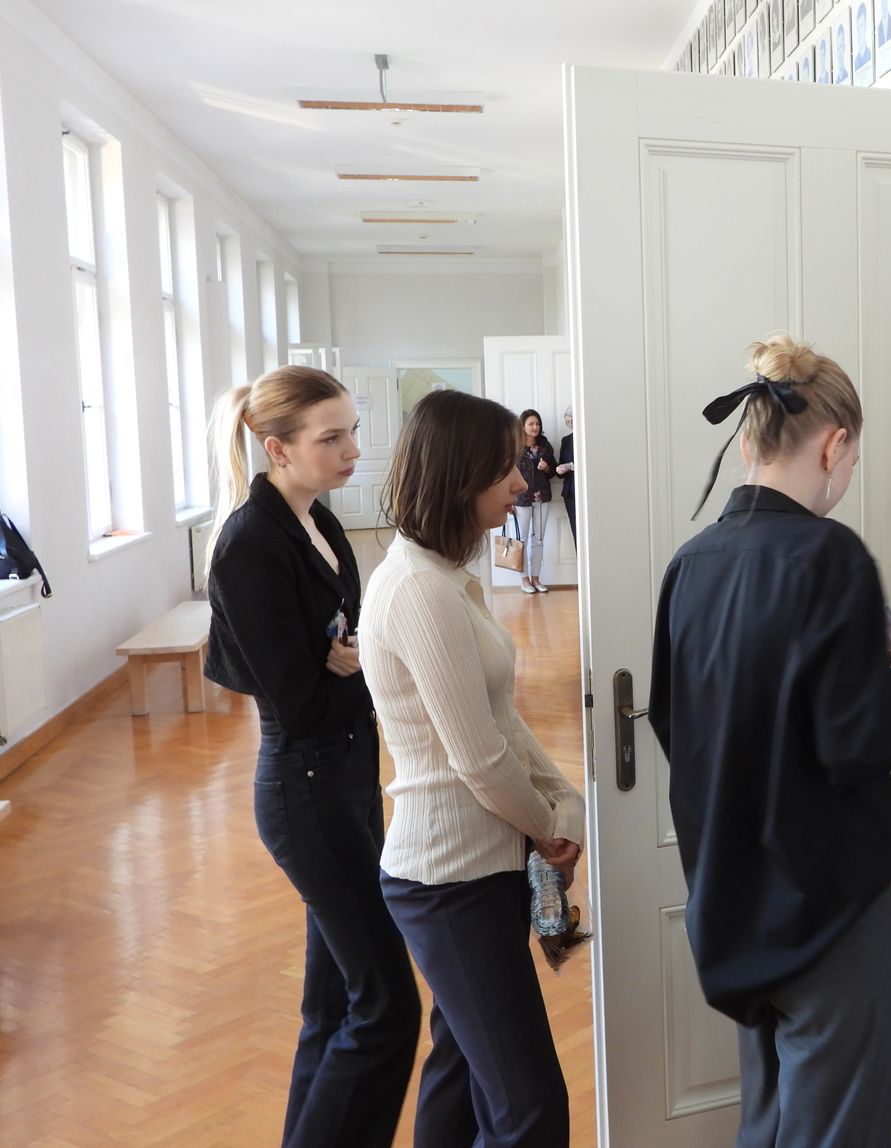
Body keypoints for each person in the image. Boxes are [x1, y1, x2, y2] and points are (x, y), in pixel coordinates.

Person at [650, 335, 891, 1148]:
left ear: (749, 440)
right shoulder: (829, 555)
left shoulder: (691, 563)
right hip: (824, 901)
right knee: (837, 1123)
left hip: (729, 891)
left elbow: (677, 724)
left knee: (772, 1110)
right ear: (835, 445)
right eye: (854, 460)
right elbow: (855, 747)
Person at [202, 366, 420, 1148]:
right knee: (388, 1006)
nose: (353, 449)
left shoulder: (319, 522)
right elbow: (297, 704)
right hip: (306, 790)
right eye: (331, 438)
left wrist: (343, 663)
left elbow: (342, 647)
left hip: (349, 777)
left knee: (332, 1008)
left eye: (352, 431)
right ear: (278, 448)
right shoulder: (249, 544)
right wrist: (355, 669)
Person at [361, 389, 585, 1147]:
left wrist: (560, 800)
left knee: (460, 1074)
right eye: (504, 469)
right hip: (450, 878)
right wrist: (548, 828)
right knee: (529, 1108)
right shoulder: (420, 590)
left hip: (474, 866)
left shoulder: (445, 576)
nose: (521, 481)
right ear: (460, 477)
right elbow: (479, 759)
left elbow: (500, 720)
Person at [514, 408, 557, 593]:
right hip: (521, 499)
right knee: (521, 540)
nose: (535, 427)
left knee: (538, 540)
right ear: (522, 426)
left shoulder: (545, 446)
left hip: (542, 497)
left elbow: (553, 471)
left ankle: (536, 578)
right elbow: (506, 474)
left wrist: (547, 468)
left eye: (537, 423)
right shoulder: (514, 447)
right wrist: (508, 500)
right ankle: (524, 579)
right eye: (531, 424)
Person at [555, 405, 577, 549]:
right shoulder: (566, 440)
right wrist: (560, 470)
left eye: (572, 421)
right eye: (568, 422)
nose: (570, 425)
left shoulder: (589, 437)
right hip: (570, 492)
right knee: (576, 531)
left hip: (587, 490)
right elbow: (561, 467)